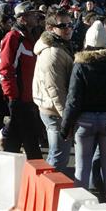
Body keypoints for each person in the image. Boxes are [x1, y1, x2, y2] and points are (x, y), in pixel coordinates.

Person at [60, 20, 106, 206]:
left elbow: (73, 100)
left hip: (85, 120)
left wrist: (65, 127)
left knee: (82, 166)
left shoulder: (81, 65)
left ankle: (79, 206)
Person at [0, 2, 43, 159]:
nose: (36, 17)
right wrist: (13, 95)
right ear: (23, 18)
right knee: (30, 142)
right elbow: (5, 68)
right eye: (32, 14)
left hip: (30, 97)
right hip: (19, 98)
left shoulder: (31, 37)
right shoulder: (13, 38)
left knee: (14, 142)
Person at [33, 10, 75, 171]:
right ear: (50, 28)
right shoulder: (53, 52)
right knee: (58, 157)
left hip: (53, 107)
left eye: (70, 25)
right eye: (63, 25)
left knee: (57, 154)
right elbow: (55, 90)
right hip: (54, 110)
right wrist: (67, 118)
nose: (68, 28)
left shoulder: (61, 46)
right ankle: (51, 190)